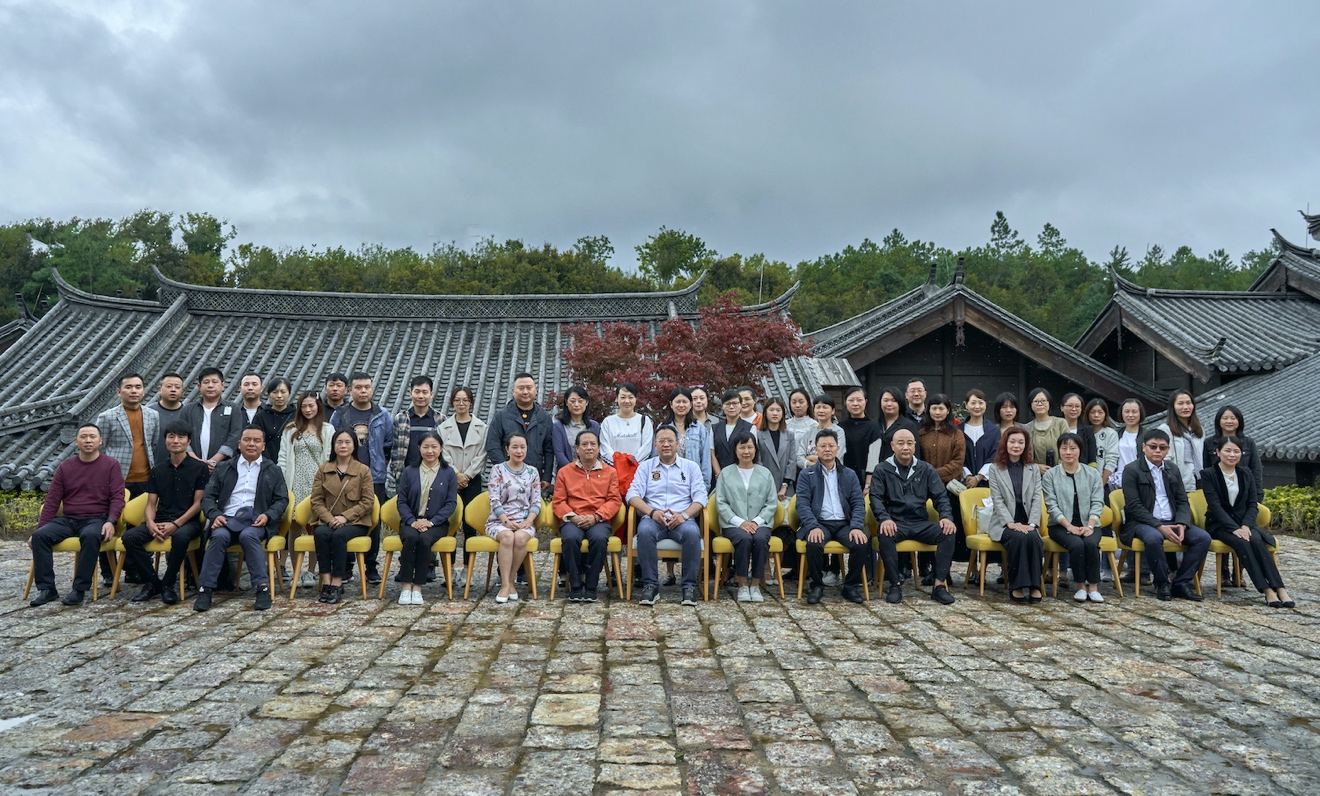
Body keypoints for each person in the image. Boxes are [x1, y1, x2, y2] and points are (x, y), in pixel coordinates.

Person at [27, 424, 125, 607]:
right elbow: (52, 501)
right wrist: (40, 527)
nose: (88, 440)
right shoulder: (65, 467)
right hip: (68, 519)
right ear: (76, 441)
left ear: (100, 441)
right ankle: (47, 589)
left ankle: (79, 589)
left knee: (90, 535)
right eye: (83, 437)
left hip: (97, 518)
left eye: (92, 437)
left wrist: (111, 521)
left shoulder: (111, 465)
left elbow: (118, 497)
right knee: (40, 536)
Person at [194, 427, 290, 612]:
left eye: (256, 441)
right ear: (239, 444)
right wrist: (215, 515)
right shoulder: (224, 467)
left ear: (263, 446)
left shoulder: (272, 470)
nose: (251, 444)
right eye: (247, 440)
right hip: (227, 519)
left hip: (256, 520)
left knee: (248, 536)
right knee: (219, 536)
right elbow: (207, 497)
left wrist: (268, 515)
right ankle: (205, 589)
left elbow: (282, 500)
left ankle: (262, 588)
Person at [120, 421, 208, 605]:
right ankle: (152, 582)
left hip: (187, 521)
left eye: (181, 437)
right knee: (129, 537)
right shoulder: (158, 470)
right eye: (171, 437)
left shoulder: (199, 468)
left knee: (181, 537)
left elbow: (198, 503)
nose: (176, 441)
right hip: (161, 518)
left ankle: (168, 584)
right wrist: (150, 523)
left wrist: (176, 524)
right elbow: (151, 503)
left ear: (188, 441)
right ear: (165, 440)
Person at [1200, 436, 1293, 608]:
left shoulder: (1245, 473)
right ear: (1218, 452)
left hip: (1244, 523)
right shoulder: (1208, 474)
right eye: (1227, 451)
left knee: (1257, 541)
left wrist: (1245, 526)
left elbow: (1252, 504)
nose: (1232, 455)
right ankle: (1267, 590)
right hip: (1220, 524)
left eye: (1236, 451)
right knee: (1243, 542)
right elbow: (1215, 506)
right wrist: (1234, 528)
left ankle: (1280, 588)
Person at [869, 428, 958, 605]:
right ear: (892, 446)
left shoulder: (926, 469)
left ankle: (939, 585)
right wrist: (884, 518)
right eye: (900, 443)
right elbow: (875, 498)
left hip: (920, 523)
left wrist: (946, 517)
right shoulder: (882, 469)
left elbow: (941, 497)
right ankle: (895, 584)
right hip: (896, 523)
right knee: (885, 533)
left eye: (909, 443)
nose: (905, 447)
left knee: (948, 531)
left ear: (915, 446)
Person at [1120, 429, 1210, 602]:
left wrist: (1182, 523)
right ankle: (1162, 583)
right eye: (1153, 447)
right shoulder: (1131, 470)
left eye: (1162, 447)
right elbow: (1133, 506)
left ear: (1168, 449)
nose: (1157, 451)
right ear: (1144, 447)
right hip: (1142, 522)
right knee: (1154, 538)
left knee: (1202, 538)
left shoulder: (1172, 469)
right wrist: (1159, 526)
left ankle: (1181, 582)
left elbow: (1182, 501)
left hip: (1173, 521)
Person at [626, 425, 707, 607]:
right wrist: (652, 512)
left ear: (677, 444)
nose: (666, 444)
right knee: (644, 531)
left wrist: (684, 515)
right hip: (654, 519)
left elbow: (701, 497)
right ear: (655, 445)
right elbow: (632, 495)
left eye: (670, 440)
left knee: (692, 533)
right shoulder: (646, 467)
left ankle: (689, 587)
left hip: (682, 519)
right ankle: (650, 585)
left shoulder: (691, 467)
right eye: (661, 441)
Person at [330, 371, 392, 585]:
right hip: (345, 476)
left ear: (372, 389)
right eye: (358, 387)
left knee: (373, 521)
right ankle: (346, 566)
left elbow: (388, 445)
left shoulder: (382, 414)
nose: (363, 391)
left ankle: (371, 566)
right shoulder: (340, 414)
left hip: (374, 477)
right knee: (345, 518)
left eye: (367, 387)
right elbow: (333, 442)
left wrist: (380, 466)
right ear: (350, 390)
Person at [96, 372, 158, 585]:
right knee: (110, 523)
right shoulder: (107, 417)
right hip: (116, 480)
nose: (134, 391)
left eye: (138, 387)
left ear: (144, 390)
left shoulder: (152, 415)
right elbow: (100, 448)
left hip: (145, 478)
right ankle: (108, 572)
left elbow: (153, 444)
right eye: (129, 387)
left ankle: (133, 570)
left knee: (138, 526)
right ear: (119, 391)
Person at [796, 429, 868, 604]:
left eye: (831, 446)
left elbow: (858, 503)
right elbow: (802, 505)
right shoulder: (807, 474)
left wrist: (856, 526)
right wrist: (812, 526)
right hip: (820, 522)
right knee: (814, 543)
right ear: (816, 449)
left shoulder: (849, 474)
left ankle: (850, 586)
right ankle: (817, 585)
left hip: (845, 523)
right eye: (823, 446)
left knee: (860, 543)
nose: (827, 449)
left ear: (838, 448)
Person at [552, 429, 621, 602]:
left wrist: (597, 517)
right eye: (584, 444)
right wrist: (573, 517)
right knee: (570, 539)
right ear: (577, 448)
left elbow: (614, 500)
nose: (589, 447)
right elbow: (558, 501)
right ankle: (575, 585)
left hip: (598, 519)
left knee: (599, 539)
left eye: (593, 444)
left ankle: (591, 586)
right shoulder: (565, 472)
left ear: (598, 448)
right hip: (572, 518)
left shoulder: (610, 472)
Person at [309, 430, 376, 604]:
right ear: (333, 445)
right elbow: (316, 500)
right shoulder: (324, 469)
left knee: (339, 536)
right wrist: (329, 518)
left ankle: (337, 582)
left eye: (347, 442)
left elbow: (368, 502)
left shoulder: (363, 470)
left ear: (354, 445)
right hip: (328, 520)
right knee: (320, 533)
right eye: (339, 442)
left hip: (355, 521)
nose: (343, 446)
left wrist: (345, 517)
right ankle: (326, 581)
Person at [394, 431, 458, 605]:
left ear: (441, 448)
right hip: (411, 521)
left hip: (436, 523)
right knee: (411, 537)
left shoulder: (448, 473)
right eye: (426, 447)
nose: (430, 451)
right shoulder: (409, 471)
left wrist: (431, 522)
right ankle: (406, 586)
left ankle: (418, 587)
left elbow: (451, 504)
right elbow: (401, 501)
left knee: (424, 539)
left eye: (434, 447)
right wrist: (412, 521)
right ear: (419, 448)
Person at [279, 392, 336, 587]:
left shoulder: (327, 429)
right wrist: (283, 485)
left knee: (316, 528)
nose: (308, 410)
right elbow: (283, 458)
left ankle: (311, 571)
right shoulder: (291, 429)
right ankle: (296, 570)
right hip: (295, 481)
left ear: (318, 406)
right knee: (294, 527)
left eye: (311, 405)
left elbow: (331, 458)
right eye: (304, 406)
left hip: (318, 484)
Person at [1044, 433, 1106, 602]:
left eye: (1073, 448)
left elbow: (1098, 502)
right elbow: (1051, 505)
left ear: (1080, 450)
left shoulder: (1092, 474)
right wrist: (1068, 526)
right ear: (1059, 450)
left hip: (1089, 524)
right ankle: (1080, 587)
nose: (1068, 452)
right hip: (1060, 526)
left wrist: (1090, 526)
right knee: (1077, 544)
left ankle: (1093, 587)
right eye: (1064, 448)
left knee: (1090, 543)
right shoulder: (1051, 475)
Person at [717, 431, 778, 602]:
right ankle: (742, 584)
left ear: (755, 449)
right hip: (733, 524)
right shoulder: (726, 473)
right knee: (743, 539)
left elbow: (771, 502)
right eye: (742, 447)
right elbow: (721, 502)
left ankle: (756, 585)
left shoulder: (765, 473)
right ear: (735, 450)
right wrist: (740, 522)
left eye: (750, 447)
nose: (746, 451)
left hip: (761, 523)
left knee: (760, 539)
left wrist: (756, 522)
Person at [986, 427, 1046, 603]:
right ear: (1005, 444)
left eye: (1021, 442)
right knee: (1018, 538)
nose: (1016, 446)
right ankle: (1017, 586)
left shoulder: (1033, 468)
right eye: (1012, 442)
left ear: (1026, 445)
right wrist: (1010, 523)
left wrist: (1033, 524)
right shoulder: (995, 469)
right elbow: (997, 499)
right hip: (1004, 522)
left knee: (1034, 539)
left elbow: (1037, 498)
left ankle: (1035, 585)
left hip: (1028, 521)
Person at [486, 433, 542, 603]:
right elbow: (494, 498)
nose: (519, 451)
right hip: (499, 521)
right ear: (507, 449)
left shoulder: (532, 472)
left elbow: (536, 501)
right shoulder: (498, 469)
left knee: (520, 538)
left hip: (524, 520)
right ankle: (505, 585)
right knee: (508, 537)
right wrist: (505, 520)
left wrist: (529, 521)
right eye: (515, 447)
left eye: (522, 447)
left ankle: (510, 581)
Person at [439, 386, 488, 571]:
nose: (461, 404)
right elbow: (441, 453)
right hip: (449, 479)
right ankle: (449, 568)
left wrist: (467, 475)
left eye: (465, 400)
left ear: (471, 403)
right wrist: (456, 474)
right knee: (449, 522)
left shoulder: (482, 427)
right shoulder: (443, 428)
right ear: (452, 402)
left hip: (472, 480)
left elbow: (482, 454)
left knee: (470, 524)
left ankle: (468, 568)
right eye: (457, 400)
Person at [487, 373, 556, 490]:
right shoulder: (502, 416)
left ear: (536, 390)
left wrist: (547, 476)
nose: (525, 392)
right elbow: (493, 446)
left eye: (529, 388)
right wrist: (504, 471)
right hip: (507, 478)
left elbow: (549, 449)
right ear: (513, 391)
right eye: (521, 388)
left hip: (535, 476)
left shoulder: (544, 417)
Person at [758, 398, 798, 583]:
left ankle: (778, 570)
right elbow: (757, 462)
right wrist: (769, 490)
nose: (775, 413)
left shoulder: (789, 435)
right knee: (766, 528)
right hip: (763, 488)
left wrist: (784, 486)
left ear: (783, 413)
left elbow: (792, 461)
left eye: (778, 410)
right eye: (771, 410)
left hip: (785, 489)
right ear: (765, 412)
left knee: (783, 530)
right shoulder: (758, 435)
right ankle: (765, 567)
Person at [387, 375, 444, 494]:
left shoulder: (440, 419)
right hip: (405, 475)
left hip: (433, 475)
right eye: (417, 392)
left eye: (425, 392)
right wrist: (396, 472)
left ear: (431, 394)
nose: (421, 396)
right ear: (410, 394)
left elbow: (444, 449)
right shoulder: (401, 418)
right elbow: (395, 447)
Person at [185, 367, 242, 473]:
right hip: (192, 466)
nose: (210, 385)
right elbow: (181, 436)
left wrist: (213, 461)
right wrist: (197, 462)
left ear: (222, 385)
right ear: (199, 386)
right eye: (206, 382)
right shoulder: (188, 410)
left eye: (215, 382)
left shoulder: (233, 409)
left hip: (224, 467)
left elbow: (235, 436)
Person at [866, 387, 921, 487]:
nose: (889, 404)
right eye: (885, 400)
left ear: (900, 403)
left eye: (893, 401)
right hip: (876, 476)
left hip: (899, 477)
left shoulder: (908, 425)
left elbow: (915, 453)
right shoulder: (873, 424)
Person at [659, 387, 712, 490]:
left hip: (694, 483)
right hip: (667, 483)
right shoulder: (662, 427)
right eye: (678, 402)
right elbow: (656, 458)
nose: (681, 405)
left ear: (690, 404)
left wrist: (704, 487)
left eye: (685, 402)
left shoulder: (699, 428)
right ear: (671, 404)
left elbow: (705, 460)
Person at [1203, 405, 1263, 494]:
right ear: (1218, 420)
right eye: (1225, 418)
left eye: (1233, 418)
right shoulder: (1209, 442)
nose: (1229, 421)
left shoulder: (1248, 443)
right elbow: (1206, 468)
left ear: (1239, 421)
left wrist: (1257, 494)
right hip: (1217, 492)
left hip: (1244, 491)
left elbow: (1256, 470)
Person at [1155, 389, 1206, 494]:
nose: (1185, 407)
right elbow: (1164, 458)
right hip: (1178, 482)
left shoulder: (1198, 429)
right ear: (1173, 407)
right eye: (1180, 403)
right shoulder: (1165, 429)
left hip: (1200, 478)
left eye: (1188, 403)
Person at [599, 382, 653, 471]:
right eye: (623, 397)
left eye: (630, 397)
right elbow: (605, 449)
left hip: (638, 471)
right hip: (614, 471)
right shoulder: (608, 422)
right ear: (617, 399)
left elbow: (646, 448)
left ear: (635, 399)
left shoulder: (644, 421)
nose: (627, 401)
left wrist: (632, 463)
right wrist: (620, 464)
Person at [839, 387, 881, 491]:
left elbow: (873, 457)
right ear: (845, 402)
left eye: (859, 400)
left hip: (863, 478)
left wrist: (868, 484)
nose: (855, 404)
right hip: (842, 476)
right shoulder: (840, 427)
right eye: (851, 400)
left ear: (866, 401)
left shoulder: (873, 427)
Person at [552, 386, 601, 470]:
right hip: (567, 472)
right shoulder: (558, 426)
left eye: (580, 401)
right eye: (572, 401)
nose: (576, 405)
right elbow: (559, 454)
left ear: (586, 402)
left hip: (591, 472)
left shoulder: (594, 426)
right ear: (566, 402)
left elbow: (598, 452)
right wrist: (574, 472)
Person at [961, 389, 1001, 489]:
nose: (977, 407)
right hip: (963, 483)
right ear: (966, 405)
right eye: (973, 403)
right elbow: (957, 456)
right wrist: (967, 475)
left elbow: (995, 455)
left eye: (980, 403)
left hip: (989, 483)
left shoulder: (993, 430)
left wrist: (979, 477)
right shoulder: (958, 430)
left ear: (985, 405)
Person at [797, 393, 847, 472]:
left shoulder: (838, 432)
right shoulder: (809, 432)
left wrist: (809, 457)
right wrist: (814, 466)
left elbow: (835, 457)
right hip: (811, 475)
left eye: (825, 407)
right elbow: (799, 458)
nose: (821, 410)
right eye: (818, 407)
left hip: (832, 474)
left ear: (833, 411)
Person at [712, 389, 753, 477]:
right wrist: (719, 474)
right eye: (727, 404)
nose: (731, 407)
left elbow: (752, 453)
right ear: (722, 406)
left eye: (735, 403)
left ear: (741, 405)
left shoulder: (750, 428)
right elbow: (712, 454)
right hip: (719, 475)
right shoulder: (714, 428)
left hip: (742, 474)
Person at [146, 372, 186, 463]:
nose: (173, 390)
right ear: (159, 389)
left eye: (177, 387)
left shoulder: (188, 413)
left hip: (183, 465)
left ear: (182, 390)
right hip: (152, 465)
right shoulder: (148, 412)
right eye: (169, 386)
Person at [1026, 388, 1068, 473]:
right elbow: (1025, 455)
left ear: (1049, 403)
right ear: (1030, 404)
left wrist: (1057, 470)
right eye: (1036, 401)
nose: (1040, 404)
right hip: (1036, 475)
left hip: (1060, 473)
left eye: (1043, 401)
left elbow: (1067, 447)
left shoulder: (1061, 423)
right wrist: (1036, 467)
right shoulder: (1026, 428)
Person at [253, 377, 295, 462]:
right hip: (266, 462)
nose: (279, 396)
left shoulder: (296, 415)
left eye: (283, 392)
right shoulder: (261, 416)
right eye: (275, 392)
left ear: (289, 393)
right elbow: (256, 441)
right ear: (269, 394)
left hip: (292, 461)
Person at [1085, 398, 1120, 487]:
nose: (1096, 415)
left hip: (1102, 481)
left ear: (1105, 414)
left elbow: (1112, 460)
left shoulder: (1111, 433)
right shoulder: (1082, 431)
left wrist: (1101, 484)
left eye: (1100, 412)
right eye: (1092, 412)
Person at [1058, 393, 1098, 466]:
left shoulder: (1088, 430)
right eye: (1070, 406)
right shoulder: (1055, 428)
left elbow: (1092, 457)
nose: (1074, 409)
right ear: (1062, 408)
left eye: (1077, 406)